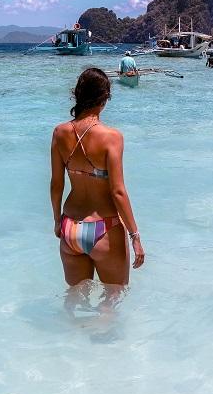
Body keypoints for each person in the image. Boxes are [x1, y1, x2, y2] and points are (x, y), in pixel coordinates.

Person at [50, 68, 146, 286]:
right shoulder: (112, 137)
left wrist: (57, 221)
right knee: (113, 299)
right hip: (104, 227)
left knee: (75, 298)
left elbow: (56, 184)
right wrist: (135, 236)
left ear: (78, 94)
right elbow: (118, 192)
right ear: (105, 98)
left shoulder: (59, 133)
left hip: (69, 227)